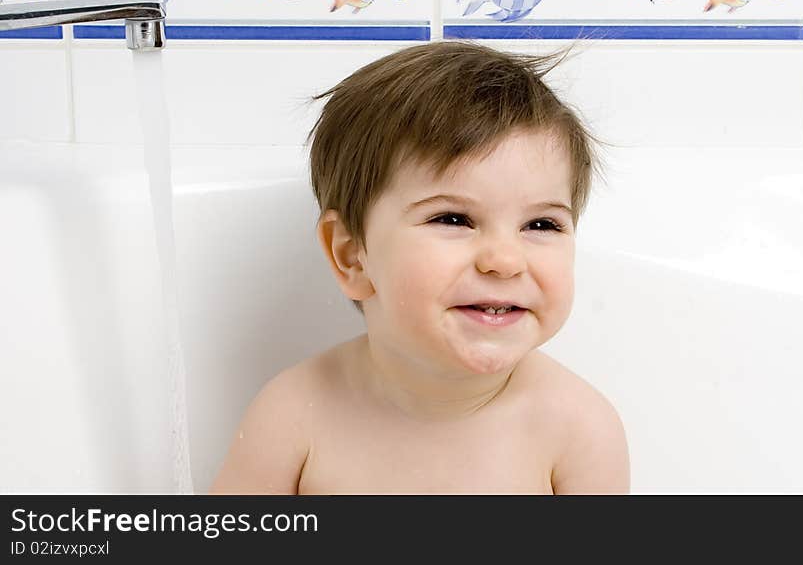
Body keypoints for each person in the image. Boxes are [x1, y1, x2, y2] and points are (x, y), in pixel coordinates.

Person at [210, 40, 630, 494]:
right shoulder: (293, 416)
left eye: (542, 224)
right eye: (453, 218)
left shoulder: (577, 430)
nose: (505, 261)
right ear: (352, 256)